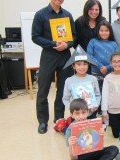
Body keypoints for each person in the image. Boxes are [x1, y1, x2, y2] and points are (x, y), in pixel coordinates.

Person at [32, 0, 76, 134]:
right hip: (48, 55)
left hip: (65, 56)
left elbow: (74, 36)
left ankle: (58, 118)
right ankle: (42, 121)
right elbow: (35, 37)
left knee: (63, 89)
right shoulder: (41, 15)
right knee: (43, 88)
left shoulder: (67, 15)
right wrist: (53, 43)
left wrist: (67, 45)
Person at [57, 46, 100, 133]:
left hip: (91, 113)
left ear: (88, 65)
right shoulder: (69, 81)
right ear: (73, 66)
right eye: (79, 64)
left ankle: (66, 122)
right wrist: (73, 109)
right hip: (76, 115)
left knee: (92, 134)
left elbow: (97, 94)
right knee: (76, 135)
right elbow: (65, 98)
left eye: (85, 64)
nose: (82, 67)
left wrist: (96, 104)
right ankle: (61, 127)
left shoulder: (93, 79)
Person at [87, 20, 118, 93]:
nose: (104, 33)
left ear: (110, 31)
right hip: (95, 73)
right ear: (98, 31)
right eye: (101, 30)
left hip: (110, 73)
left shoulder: (114, 44)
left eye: (106, 30)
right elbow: (89, 56)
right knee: (96, 93)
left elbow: (117, 59)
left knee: (109, 94)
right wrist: (100, 66)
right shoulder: (93, 41)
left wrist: (107, 67)